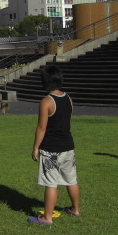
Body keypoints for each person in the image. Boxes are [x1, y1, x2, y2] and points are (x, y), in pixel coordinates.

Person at [28, 65, 80, 225]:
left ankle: (47, 218)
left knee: (51, 183)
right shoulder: (68, 98)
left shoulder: (46, 101)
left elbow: (42, 127)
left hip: (51, 149)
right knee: (71, 179)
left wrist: (36, 147)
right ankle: (75, 209)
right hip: (68, 146)